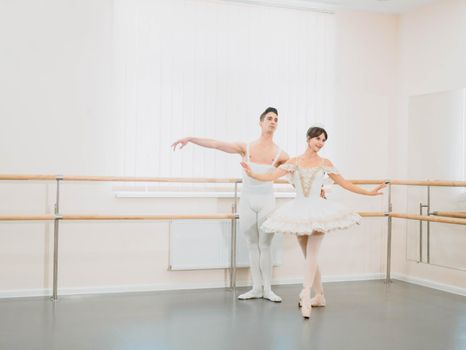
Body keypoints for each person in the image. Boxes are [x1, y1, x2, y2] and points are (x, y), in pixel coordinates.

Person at [241, 126, 385, 318]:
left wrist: (369, 192)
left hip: (319, 210)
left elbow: (345, 183)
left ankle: (306, 294)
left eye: (323, 140)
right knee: (310, 257)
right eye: (317, 138)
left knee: (312, 253)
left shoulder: (325, 163)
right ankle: (320, 296)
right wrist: (253, 174)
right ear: (308, 139)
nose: (320, 143)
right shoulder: (294, 162)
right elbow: (271, 177)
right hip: (299, 211)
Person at [171, 107, 289, 302]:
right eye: (269, 118)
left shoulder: (281, 154)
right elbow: (216, 144)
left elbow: (298, 170)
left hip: (267, 201)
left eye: (276, 119)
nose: (273, 121)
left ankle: (268, 289)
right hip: (247, 201)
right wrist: (191, 138)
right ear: (260, 123)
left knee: (265, 245)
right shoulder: (246, 148)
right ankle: (256, 288)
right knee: (252, 244)